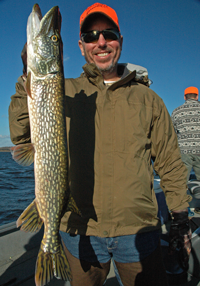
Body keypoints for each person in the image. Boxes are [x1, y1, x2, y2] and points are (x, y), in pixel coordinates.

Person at [9, 3, 192, 286]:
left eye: (108, 33)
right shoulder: (64, 91)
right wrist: (26, 79)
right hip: (80, 231)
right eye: (91, 36)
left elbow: (170, 163)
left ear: (120, 41)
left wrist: (179, 220)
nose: (101, 42)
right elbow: (22, 136)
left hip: (137, 232)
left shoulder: (149, 100)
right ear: (81, 46)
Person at [171, 86, 200, 215]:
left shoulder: (177, 112)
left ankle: (184, 211)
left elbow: (172, 134)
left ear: (184, 97)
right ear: (197, 96)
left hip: (183, 152)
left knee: (181, 184)